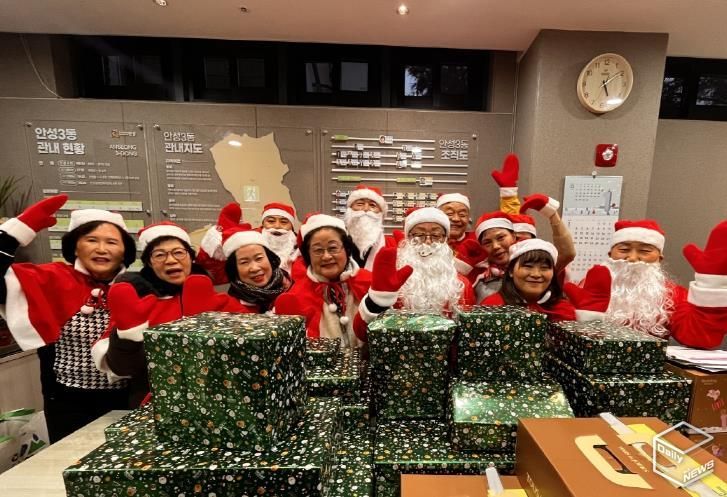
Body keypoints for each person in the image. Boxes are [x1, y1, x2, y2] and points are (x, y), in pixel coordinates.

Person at [0, 195, 138, 442]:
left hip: (128, 401)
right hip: (68, 404)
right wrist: (11, 236)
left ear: (124, 251)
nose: (102, 249)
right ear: (75, 247)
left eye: (111, 242)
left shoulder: (138, 286)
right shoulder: (50, 279)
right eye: (91, 240)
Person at [93, 221, 247, 406]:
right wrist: (129, 335)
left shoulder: (217, 300)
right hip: (155, 403)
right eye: (159, 255)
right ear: (149, 263)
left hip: (217, 401)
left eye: (179, 252)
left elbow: (251, 343)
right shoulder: (138, 304)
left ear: (191, 257)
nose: (171, 260)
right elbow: (123, 367)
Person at [275, 213, 411, 347]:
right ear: (308, 255)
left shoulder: (370, 283)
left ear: (346, 249)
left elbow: (390, 336)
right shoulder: (296, 297)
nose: (326, 256)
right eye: (318, 250)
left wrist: (378, 300)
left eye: (333, 248)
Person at [598, 219, 727, 348]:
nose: (632, 258)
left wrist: (711, 282)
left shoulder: (673, 295)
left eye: (644, 251)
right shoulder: (590, 288)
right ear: (610, 255)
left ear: (659, 258)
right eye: (624, 249)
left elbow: (700, 338)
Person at [481, 238, 611, 322]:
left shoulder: (563, 310)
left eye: (544, 268)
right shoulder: (492, 307)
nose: (536, 274)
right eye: (528, 266)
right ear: (510, 271)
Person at [396, 207, 475, 313]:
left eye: (436, 235)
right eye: (419, 235)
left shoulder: (461, 285)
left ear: (445, 239)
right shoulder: (394, 282)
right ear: (408, 238)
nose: (428, 242)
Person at [221, 224, 292, 313]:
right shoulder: (230, 309)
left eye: (259, 258)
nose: (254, 268)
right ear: (234, 269)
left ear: (270, 259)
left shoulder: (293, 289)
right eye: (244, 262)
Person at [343, 185, 397, 270]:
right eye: (360, 204)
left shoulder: (392, 246)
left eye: (372, 205)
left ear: (381, 213)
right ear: (350, 209)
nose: (366, 209)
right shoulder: (339, 242)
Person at [259, 202, 298, 273]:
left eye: (284, 222)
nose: (277, 226)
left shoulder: (301, 247)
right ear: (263, 224)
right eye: (271, 221)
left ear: (291, 226)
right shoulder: (251, 244)